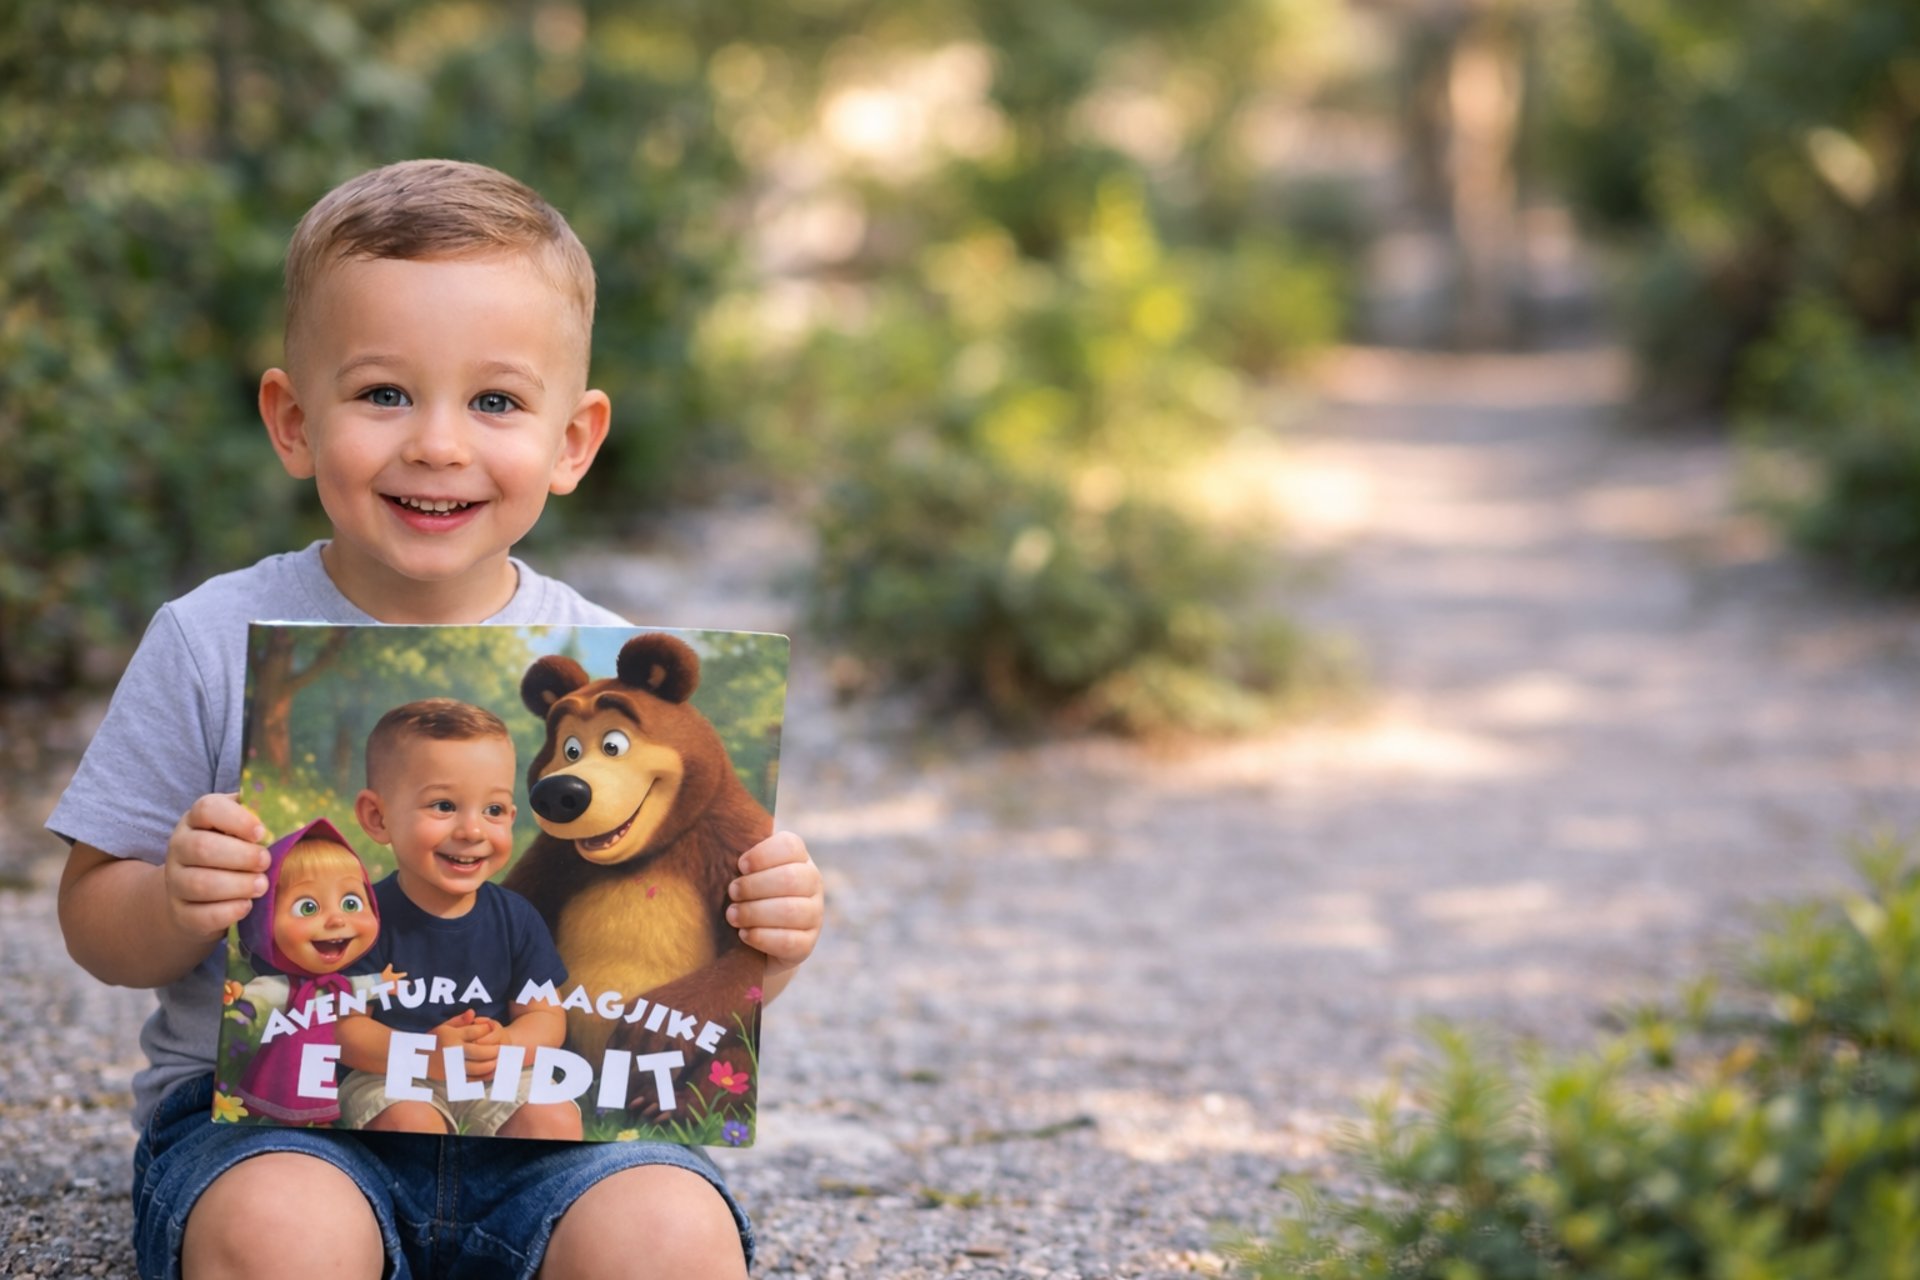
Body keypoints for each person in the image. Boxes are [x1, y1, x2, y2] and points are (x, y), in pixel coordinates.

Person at [51, 158, 824, 1280]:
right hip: (281, 1128)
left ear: (573, 440)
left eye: (496, 401)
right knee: (281, 1235)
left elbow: (631, 995)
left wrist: (767, 938)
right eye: (383, 394)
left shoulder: (613, 670)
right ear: (292, 419)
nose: (439, 444)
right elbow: (89, 917)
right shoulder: (210, 639)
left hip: (548, 1139)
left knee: (674, 1233)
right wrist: (175, 898)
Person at [333, 698, 579, 1141]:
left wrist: (506, 1045)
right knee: (409, 1124)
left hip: (492, 1069)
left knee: (555, 1118)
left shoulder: (516, 918)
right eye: (444, 806)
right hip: (393, 1073)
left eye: (494, 810)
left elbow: (546, 1018)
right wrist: (424, 1055)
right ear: (378, 817)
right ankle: (414, 1202)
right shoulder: (363, 919)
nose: (473, 831)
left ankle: (520, 1199)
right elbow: (345, 1029)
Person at [229, 817, 384, 1126]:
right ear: (265, 920)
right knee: (279, 1118)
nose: (337, 920)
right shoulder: (284, 988)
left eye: (351, 903)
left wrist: (384, 982)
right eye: (308, 908)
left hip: (328, 1071)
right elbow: (256, 1000)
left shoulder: (340, 984)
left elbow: (358, 988)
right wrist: (240, 1005)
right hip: (287, 1071)